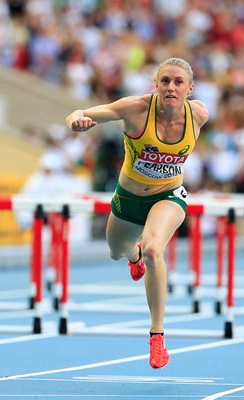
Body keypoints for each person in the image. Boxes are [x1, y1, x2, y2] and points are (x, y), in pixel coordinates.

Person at [65, 57, 209, 369]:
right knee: (117, 251)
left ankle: (157, 335)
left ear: (190, 89)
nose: (171, 87)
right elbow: (79, 113)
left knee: (156, 247)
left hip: (168, 196)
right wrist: (78, 121)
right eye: (165, 81)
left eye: (178, 82)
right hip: (128, 197)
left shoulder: (199, 115)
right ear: (156, 85)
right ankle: (134, 255)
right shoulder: (135, 109)